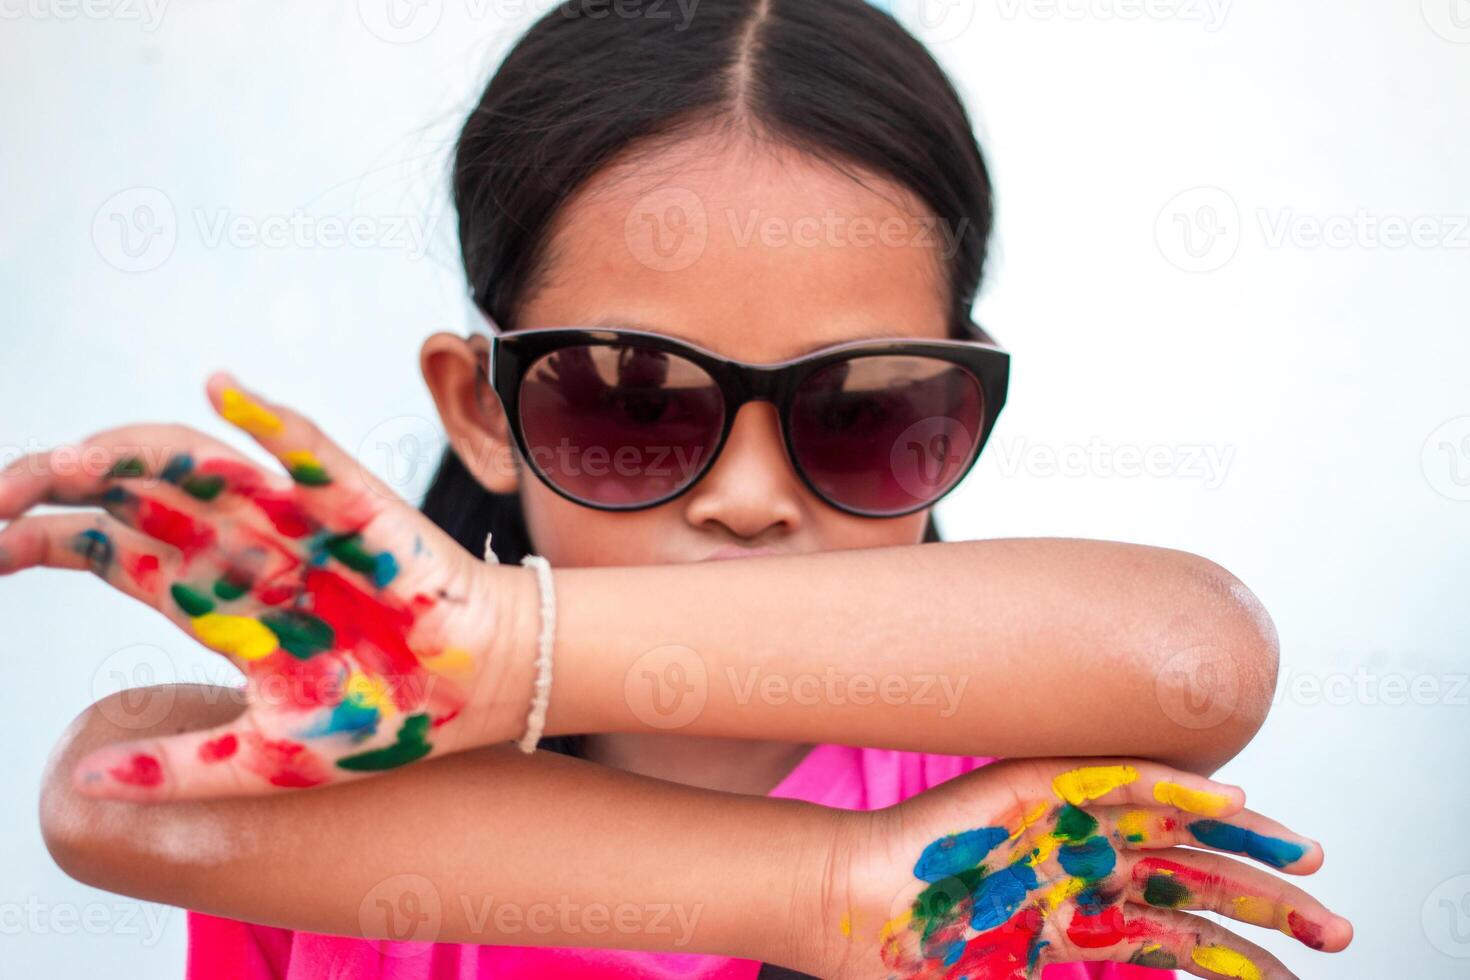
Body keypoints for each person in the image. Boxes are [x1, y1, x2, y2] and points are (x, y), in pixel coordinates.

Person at [1, 1, 1353, 976]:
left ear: (959, 404)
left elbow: (1196, 655)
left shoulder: (1016, 837)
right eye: (633, 399)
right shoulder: (339, 804)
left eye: (863, 406)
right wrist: (831, 894)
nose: (752, 496)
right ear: (479, 409)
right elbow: (107, 793)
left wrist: (502, 641)